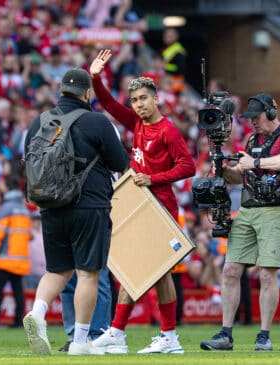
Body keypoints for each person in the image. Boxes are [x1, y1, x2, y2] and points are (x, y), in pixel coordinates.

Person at [90, 49, 194, 354]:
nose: (138, 105)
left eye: (143, 99)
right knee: (139, 270)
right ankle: (125, 333)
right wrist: (96, 77)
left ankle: (157, 335)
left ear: (156, 99)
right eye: (134, 101)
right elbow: (108, 104)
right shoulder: (137, 123)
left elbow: (187, 166)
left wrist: (153, 178)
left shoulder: (168, 131)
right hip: (141, 204)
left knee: (154, 271)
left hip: (160, 205)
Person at [23, 68, 128, 356]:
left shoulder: (39, 122)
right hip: (89, 205)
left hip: (50, 205)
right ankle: (81, 341)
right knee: (88, 274)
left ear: (61, 91)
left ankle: (37, 312)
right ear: (87, 93)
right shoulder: (96, 121)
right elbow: (120, 161)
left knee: (57, 269)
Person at [200, 93, 280, 351]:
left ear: (269, 113)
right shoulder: (253, 139)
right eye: (250, 118)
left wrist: (253, 162)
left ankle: (264, 335)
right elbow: (239, 177)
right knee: (230, 269)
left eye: (256, 117)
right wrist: (223, 168)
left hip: (276, 209)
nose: (253, 122)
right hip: (247, 207)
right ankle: (225, 333)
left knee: (267, 273)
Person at [0, 178, 32, 328]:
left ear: (6, 188)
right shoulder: (24, 208)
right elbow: (29, 235)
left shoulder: (5, 208)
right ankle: (18, 321)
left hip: (5, 258)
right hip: (21, 259)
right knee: (18, 290)